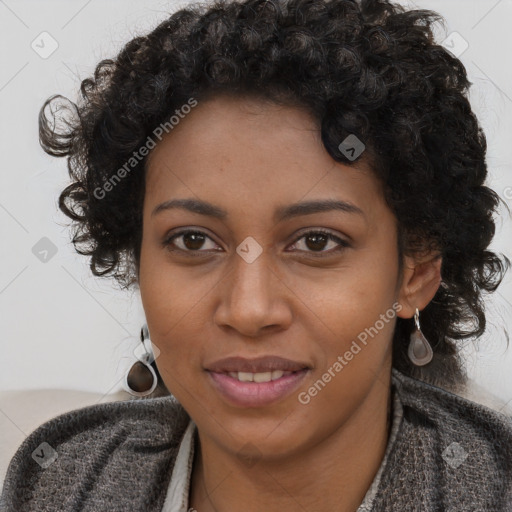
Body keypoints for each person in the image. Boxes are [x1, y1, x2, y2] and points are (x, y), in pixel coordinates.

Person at [2, 0, 512, 510]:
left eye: (316, 242)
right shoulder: (58, 484)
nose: (248, 310)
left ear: (416, 272)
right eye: (193, 240)